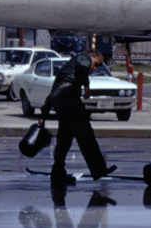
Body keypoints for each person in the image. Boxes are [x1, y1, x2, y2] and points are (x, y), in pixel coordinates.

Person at [37, 50, 115, 186]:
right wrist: (87, 87)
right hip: (68, 97)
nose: (94, 68)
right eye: (96, 64)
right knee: (85, 133)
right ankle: (98, 169)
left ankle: (58, 174)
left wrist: (43, 116)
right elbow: (83, 67)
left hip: (59, 99)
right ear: (91, 56)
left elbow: (52, 93)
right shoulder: (83, 58)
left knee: (64, 139)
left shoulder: (66, 70)